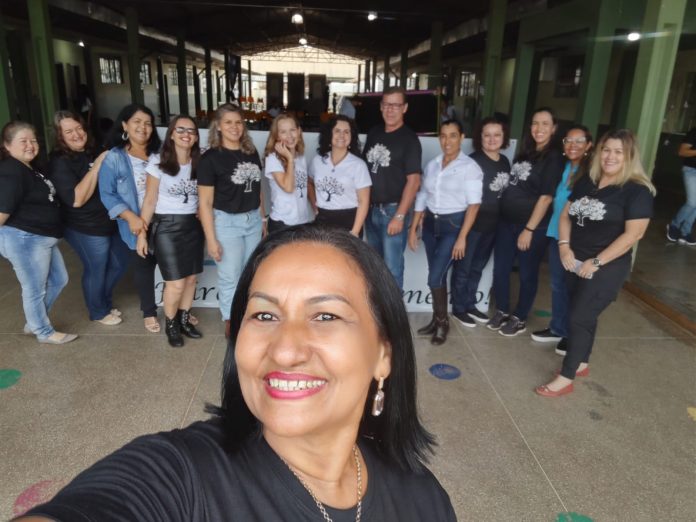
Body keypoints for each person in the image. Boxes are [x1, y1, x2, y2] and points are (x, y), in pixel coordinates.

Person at [19, 226, 456, 521]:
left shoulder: (423, 498)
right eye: (264, 315)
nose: (285, 350)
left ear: (384, 355)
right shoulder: (182, 476)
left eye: (325, 316)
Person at [536, 129, 655, 397]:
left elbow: (634, 235)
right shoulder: (588, 181)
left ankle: (566, 377)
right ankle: (582, 362)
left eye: (618, 152)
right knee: (583, 313)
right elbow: (565, 215)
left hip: (606, 266)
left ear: (630, 156)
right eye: (606, 150)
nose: (610, 156)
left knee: (578, 318)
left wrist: (597, 261)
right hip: (574, 260)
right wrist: (564, 246)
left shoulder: (637, 191)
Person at [487, 107, 565, 336]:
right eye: (535, 123)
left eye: (545, 124)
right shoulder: (526, 152)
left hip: (531, 227)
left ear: (554, 128)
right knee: (501, 269)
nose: (539, 128)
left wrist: (529, 229)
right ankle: (502, 309)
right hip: (506, 223)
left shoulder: (553, 158)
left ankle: (520, 317)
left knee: (527, 274)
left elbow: (546, 197)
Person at [48, 111, 129, 326]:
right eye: (68, 131)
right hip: (84, 226)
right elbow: (76, 199)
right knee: (97, 268)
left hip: (109, 220)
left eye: (79, 128)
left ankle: (103, 301)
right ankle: (98, 311)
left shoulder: (93, 150)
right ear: (60, 136)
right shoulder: (59, 162)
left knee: (119, 263)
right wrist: (98, 165)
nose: (76, 134)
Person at [0, 122, 77, 345]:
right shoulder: (12, 170)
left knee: (59, 280)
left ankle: (34, 322)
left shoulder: (28, 168)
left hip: (41, 238)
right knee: (34, 289)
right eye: (23, 141)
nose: (30, 145)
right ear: (7, 145)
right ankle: (43, 331)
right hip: (25, 238)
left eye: (33, 140)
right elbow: (3, 210)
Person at [408, 120, 482, 345]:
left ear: (462, 137)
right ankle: (436, 319)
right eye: (443, 135)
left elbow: (474, 205)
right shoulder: (433, 164)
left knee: (435, 277)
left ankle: (442, 323)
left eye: (452, 135)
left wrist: (462, 238)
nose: (447, 141)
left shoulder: (470, 168)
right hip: (431, 225)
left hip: (454, 227)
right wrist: (414, 227)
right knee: (436, 275)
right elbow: (422, 195)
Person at [198, 103, 265, 336]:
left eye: (238, 122)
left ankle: (248, 314)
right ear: (218, 125)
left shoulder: (251, 152)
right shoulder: (210, 159)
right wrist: (211, 239)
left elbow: (258, 189)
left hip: (252, 220)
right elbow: (205, 203)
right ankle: (230, 319)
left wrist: (262, 219)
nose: (234, 127)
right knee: (230, 276)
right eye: (228, 122)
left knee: (251, 273)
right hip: (227, 223)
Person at [138, 115, 204, 348]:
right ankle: (172, 324)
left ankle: (185, 319)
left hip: (193, 226)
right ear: (172, 134)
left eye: (191, 131)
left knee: (191, 278)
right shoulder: (158, 162)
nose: (187, 134)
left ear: (196, 137)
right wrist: (142, 234)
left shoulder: (200, 161)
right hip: (166, 227)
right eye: (181, 130)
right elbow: (149, 200)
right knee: (175, 283)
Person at [99, 103, 164, 333]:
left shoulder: (162, 153)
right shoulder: (114, 157)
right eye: (137, 122)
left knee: (172, 267)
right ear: (125, 125)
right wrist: (131, 218)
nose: (143, 127)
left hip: (165, 219)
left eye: (148, 123)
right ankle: (149, 312)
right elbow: (107, 193)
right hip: (135, 221)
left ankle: (178, 309)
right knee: (143, 266)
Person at [531, 125, 593, 354]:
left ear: (589, 145)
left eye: (579, 141)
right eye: (569, 140)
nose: (573, 145)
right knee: (557, 285)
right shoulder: (564, 167)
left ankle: (570, 334)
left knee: (574, 289)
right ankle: (558, 328)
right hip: (556, 234)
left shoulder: (592, 173)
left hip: (577, 240)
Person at [450, 116, 511, 327]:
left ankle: (470, 304)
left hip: (493, 226)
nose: (492, 139)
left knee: (477, 268)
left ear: (503, 137)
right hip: (472, 226)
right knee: (463, 268)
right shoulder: (472, 161)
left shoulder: (505, 161)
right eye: (487, 135)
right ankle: (459, 308)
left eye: (497, 135)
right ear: (480, 137)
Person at [363, 86, 422, 289]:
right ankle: (379, 307)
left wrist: (400, 216)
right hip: (370, 211)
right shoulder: (374, 132)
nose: (390, 110)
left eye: (396, 105)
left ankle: (394, 310)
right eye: (387, 105)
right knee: (374, 266)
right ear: (381, 106)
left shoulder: (409, 140)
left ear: (404, 108)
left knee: (392, 269)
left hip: (393, 211)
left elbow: (414, 181)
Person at [309, 115, 371, 235]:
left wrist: (355, 231)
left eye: (346, 132)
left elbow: (364, 201)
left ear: (351, 136)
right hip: (322, 221)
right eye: (337, 131)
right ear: (329, 134)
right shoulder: (318, 161)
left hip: (349, 222)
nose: (342, 135)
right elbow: (309, 182)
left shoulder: (358, 165)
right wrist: (314, 206)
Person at [263, 114, 313, 233]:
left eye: (292, 130)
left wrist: (315, 207)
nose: (289, 135)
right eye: (283, 132)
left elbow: (305, 184)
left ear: (299, 131)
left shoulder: (300, 156)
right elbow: (288, 188)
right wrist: (290, 159)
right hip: (283, 223)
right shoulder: (273, 158)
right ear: (277, 136)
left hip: (302, 221)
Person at [666, 126, 696, 245]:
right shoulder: (694, 132)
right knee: (692, 202)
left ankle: (685, 232)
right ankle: (674, 225)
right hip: (691, 170)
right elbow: (682, 151)